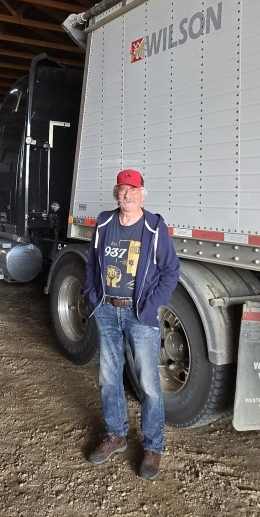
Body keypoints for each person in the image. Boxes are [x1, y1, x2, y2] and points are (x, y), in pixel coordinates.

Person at [84, 169, 180, 481]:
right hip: (107, 311)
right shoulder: (104, 223)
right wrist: (93, 297)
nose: (128, 195)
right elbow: (91, 263)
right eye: (123, 190)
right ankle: (116, 435)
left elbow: (170, 270)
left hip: (140, 315)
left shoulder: (154, 226)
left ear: (142, 193)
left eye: (133, 189)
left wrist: (151, 306)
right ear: (117, 192)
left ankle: (153, 447)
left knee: (148, 383)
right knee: (109, 377)